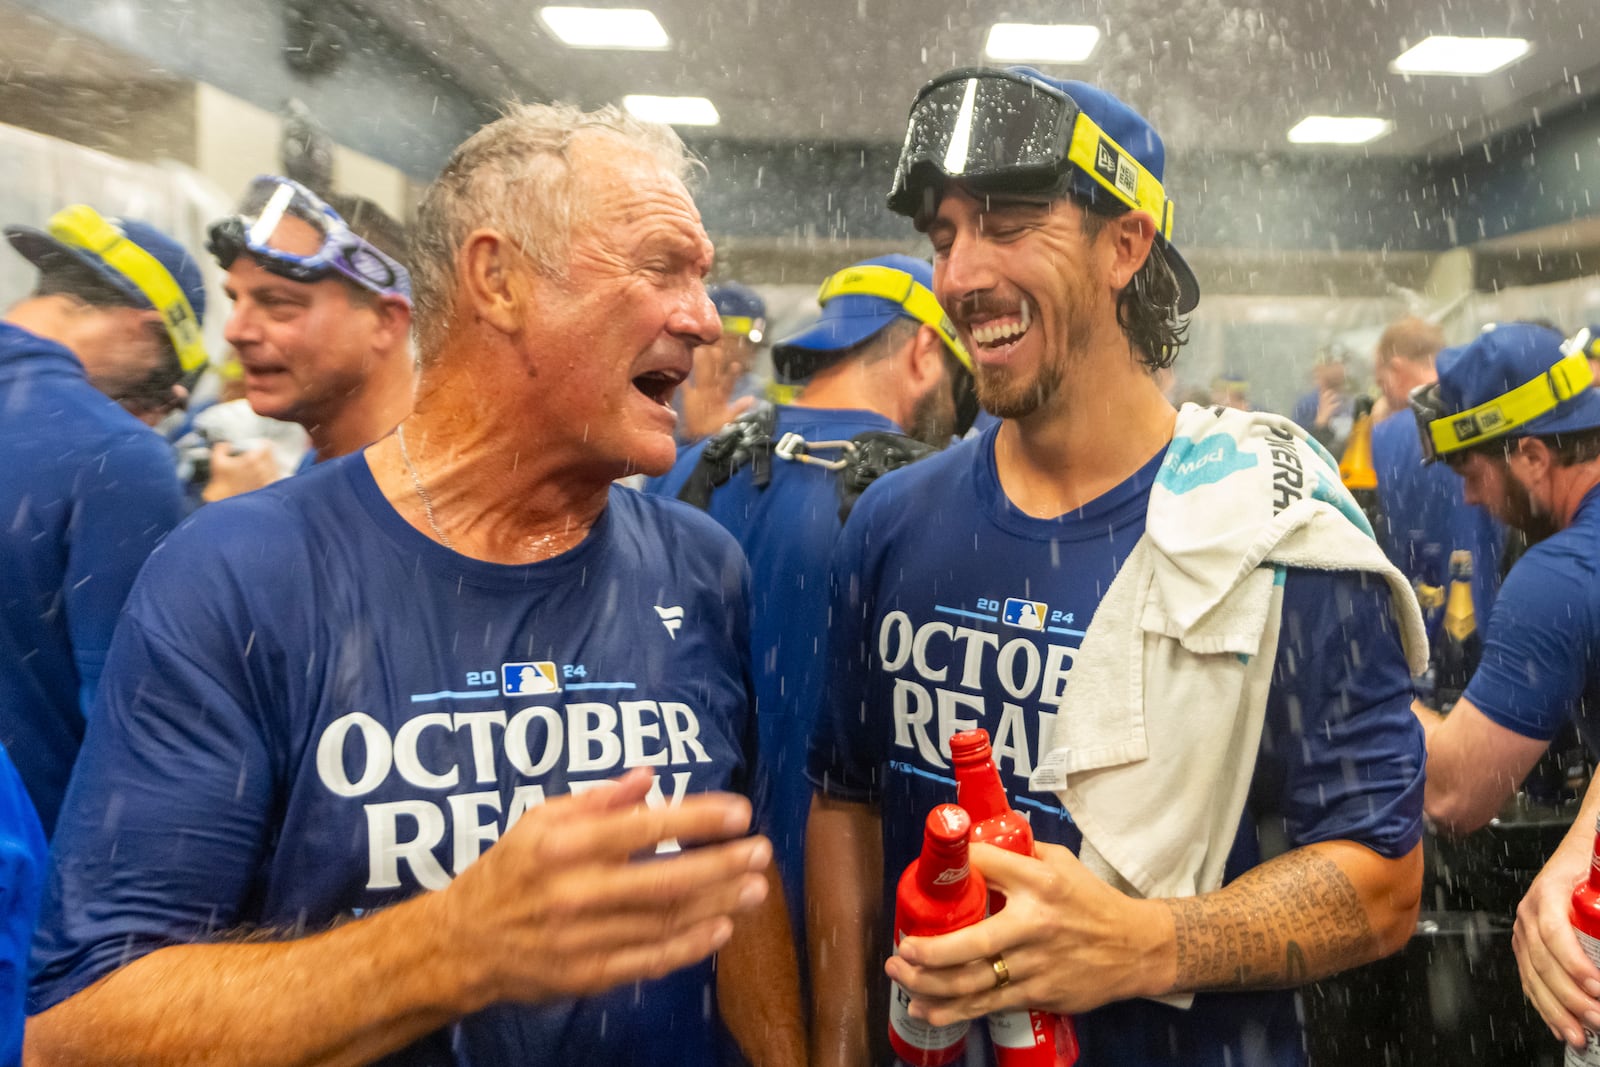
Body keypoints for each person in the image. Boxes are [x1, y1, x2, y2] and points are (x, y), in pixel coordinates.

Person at [27, 103, 803, 1067]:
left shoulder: (702, 565)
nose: (701, 315)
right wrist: (448, 945)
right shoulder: (239, 577)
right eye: (660, 268)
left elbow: (737, 888)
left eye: (699, 274)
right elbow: (83, 1030)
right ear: (499, 279)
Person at [806, 66, 1426, 1067]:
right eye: (944, 234)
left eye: (1007, 224)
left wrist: (1143, 944)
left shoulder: (1274, 536)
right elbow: (842, 799)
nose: (959, 275)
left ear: (1125, 244)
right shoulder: (890, 524)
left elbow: (1384, 885)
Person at [651, 252, 977, 963]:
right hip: (859, 941)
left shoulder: (685, 472)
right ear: (925, 350)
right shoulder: (929, 509)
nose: (953, 426)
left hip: (691, 932)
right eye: (960, 391)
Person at [0, 204, 202, 835]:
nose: (150, 410)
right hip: (33, 867)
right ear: (145, 329)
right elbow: (132, 725)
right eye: (161, 385)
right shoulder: (117, 454)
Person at [1408, 322, 1600, 836]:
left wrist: (1370, 691)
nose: (1471, 499)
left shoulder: (1561, 578)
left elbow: (1455, 795)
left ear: (1534, 458)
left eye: (1473, 476)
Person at [209, 175, 417, 467]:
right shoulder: (322, 469)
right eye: (234, 300)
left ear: (386, 321)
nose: (235, 332)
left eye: (276, 303)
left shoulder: (456, 493)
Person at [1369, 316, 1504, 686]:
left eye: (1380, 381)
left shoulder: (1382, 438)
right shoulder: (1485, 426)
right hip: (1491, 632)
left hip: (1412, 635)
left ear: (1395, 369)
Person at [675, 281, 766, 442]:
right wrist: (697, 440)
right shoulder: (671, 387)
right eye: (746, 340)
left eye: (753, 342)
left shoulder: (756, 391)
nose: (751, 350)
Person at [1292, 345, 1356, 454]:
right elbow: (1297, 447)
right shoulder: (1306, 405)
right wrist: (1320, 425)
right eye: (1331, 362)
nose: (1338, 366)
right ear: (1319, 368)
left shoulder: (1354, 403)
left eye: (1342, 361)